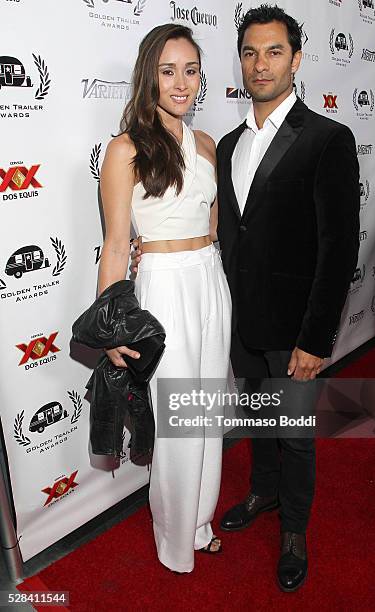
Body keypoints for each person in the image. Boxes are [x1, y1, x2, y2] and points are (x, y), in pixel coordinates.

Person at [216, 5, 359, 592]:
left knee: (295, 433)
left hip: (297, 329)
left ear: (296, 60)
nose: (260, 63)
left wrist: (315, 338)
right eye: (250, 52)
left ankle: (295, 529)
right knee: (259, 421)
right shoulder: (227, 144)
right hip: (245, 324)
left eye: (274, 51)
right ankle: (264, 492)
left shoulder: (328, 138)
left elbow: (339, 248)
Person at [98, 23, 232, 573]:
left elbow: (213, 225)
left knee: (208, 416)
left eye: (191, 70)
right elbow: (113, 246)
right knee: (179, 423)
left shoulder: (205, 144)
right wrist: (110, 328)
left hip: (209, 278)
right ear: (148, 76)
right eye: (168, 70)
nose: (182, 83)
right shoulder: (125, 150)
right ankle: (175, 540)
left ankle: (199, 522)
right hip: (163, 285)